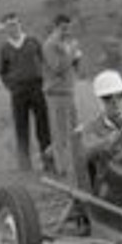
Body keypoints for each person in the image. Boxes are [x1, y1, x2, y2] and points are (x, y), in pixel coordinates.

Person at [0, 12, 52, 172]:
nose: (13, 28)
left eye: (15, 24)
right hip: (18, 92)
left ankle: (48, 163)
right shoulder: (5, 48)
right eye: (9, 25)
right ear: (6, 28)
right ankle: (25, 166)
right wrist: (12, 86)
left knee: (43, 127)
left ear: (20, 24)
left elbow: (45, 62)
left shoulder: (33, 41)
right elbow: (2, 71)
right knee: (21, 128)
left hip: (37, 88)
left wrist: (45, 82)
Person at [42, 13, 84, 179]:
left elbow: (73, 69)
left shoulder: (67, 43)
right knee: (60, 134)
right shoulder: (49, 45)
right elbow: (57, 67)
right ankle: (61, 170)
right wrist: (73, 53)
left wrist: (76, 59)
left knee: (74, 131)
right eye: (63, 28)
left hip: (69, 92)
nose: (67, 31)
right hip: (56, 93)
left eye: (69, 27)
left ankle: (53, 158)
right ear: (56, 27)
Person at [79, 69, 122, 190]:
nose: (115, 102)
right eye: (107, 98)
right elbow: (83, 155)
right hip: (109, 185)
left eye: (120, 96)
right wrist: (105, 143)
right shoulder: (92, 129)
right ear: (99, 101)